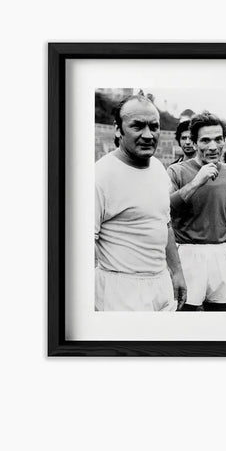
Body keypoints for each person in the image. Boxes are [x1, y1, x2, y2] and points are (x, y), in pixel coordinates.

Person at [95, 93, 187, 311]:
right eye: (137, 126)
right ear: (118, 129)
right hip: (120, 291)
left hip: (160, 284)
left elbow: (164, 223)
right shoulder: (100, 176)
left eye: (154, 127)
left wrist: (177, 272)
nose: (148, 135)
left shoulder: (158, 168)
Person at [168, 112, 226, 311]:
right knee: (185, 314)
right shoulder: (176, 171)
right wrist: (196, 182)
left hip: (220, 253)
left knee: (220, 314)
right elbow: (166, 208)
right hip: (188, 252)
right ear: (194, 142)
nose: (213, 146)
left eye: (218, 139)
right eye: (205, 140)